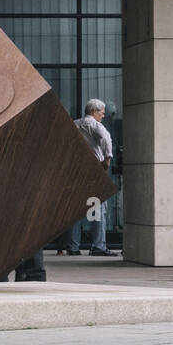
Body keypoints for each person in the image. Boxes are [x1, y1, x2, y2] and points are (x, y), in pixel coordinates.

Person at [67, 99, 118, 257]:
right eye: (102, 112)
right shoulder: (96, 125)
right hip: (95, 170)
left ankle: (73, 246)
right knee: (98, 207)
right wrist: (107, 160)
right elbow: (106, 140)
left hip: (76, 170)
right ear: (94, 112)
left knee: (76, 209)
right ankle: (98, 246)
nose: (103, 115)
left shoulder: (75, 124)